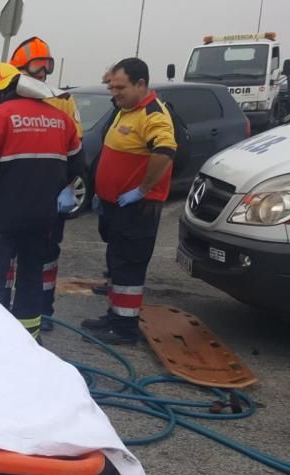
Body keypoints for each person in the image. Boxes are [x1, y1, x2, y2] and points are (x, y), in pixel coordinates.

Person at [0, 63, 84, 340]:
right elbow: (77, 166)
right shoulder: (61, 119)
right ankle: (28, 340)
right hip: (41, 220)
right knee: (31, 280)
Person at [82, 58, 176, 345]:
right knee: (117, 264)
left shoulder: (152, 113)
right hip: (116, 205)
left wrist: (143, 189)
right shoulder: (125, 110)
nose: (115, 92)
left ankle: (125, 329)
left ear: (141, 84)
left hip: (137, 208)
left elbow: (165, 150)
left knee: (129, 267)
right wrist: (102, 192)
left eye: (121, 87)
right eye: (112, 86)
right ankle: (115, 316)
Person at [7, 36, 85, 332]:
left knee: (45, 257)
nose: (43, 75)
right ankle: (9, 310)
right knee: (9, 257)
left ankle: (43, 311)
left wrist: (69, 187)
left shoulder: (63, 100)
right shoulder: (7, 98)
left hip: (49, 194)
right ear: (19, 71)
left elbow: (76, 150)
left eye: (46, 68)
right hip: (13, 194)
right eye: (37, 68)